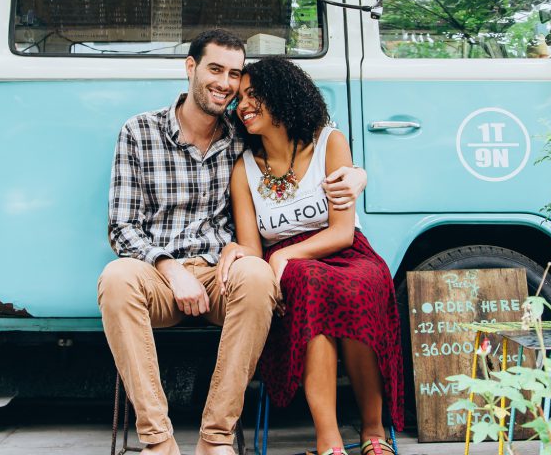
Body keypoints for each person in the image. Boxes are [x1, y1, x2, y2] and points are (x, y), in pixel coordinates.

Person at [98, 30, 368, 455]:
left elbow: (309, 135)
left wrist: (359, 174)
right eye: (215, 70)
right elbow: (122, 228)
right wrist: (169, 268)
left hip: (221, 274)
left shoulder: (244, 134)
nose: (226, 84)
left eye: (234, 74)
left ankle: (216, 438)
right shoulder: (139, 131)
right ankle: (158, 442)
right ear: (191, 68)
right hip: (156, 275)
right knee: (115, 278)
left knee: (258, 276)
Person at [223, 57, 404, 455]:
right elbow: (254, 246)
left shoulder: (329, 143)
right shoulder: (244, 170)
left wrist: (286, 255)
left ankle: (373, 432)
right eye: (239, 99)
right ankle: (330, 440)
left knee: (357, 288)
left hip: (345, 253)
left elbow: (341, 232)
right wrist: (239, 252)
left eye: (254, 95)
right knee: (309, 284)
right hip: (292, 268)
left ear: (284, 95)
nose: (244, 106)